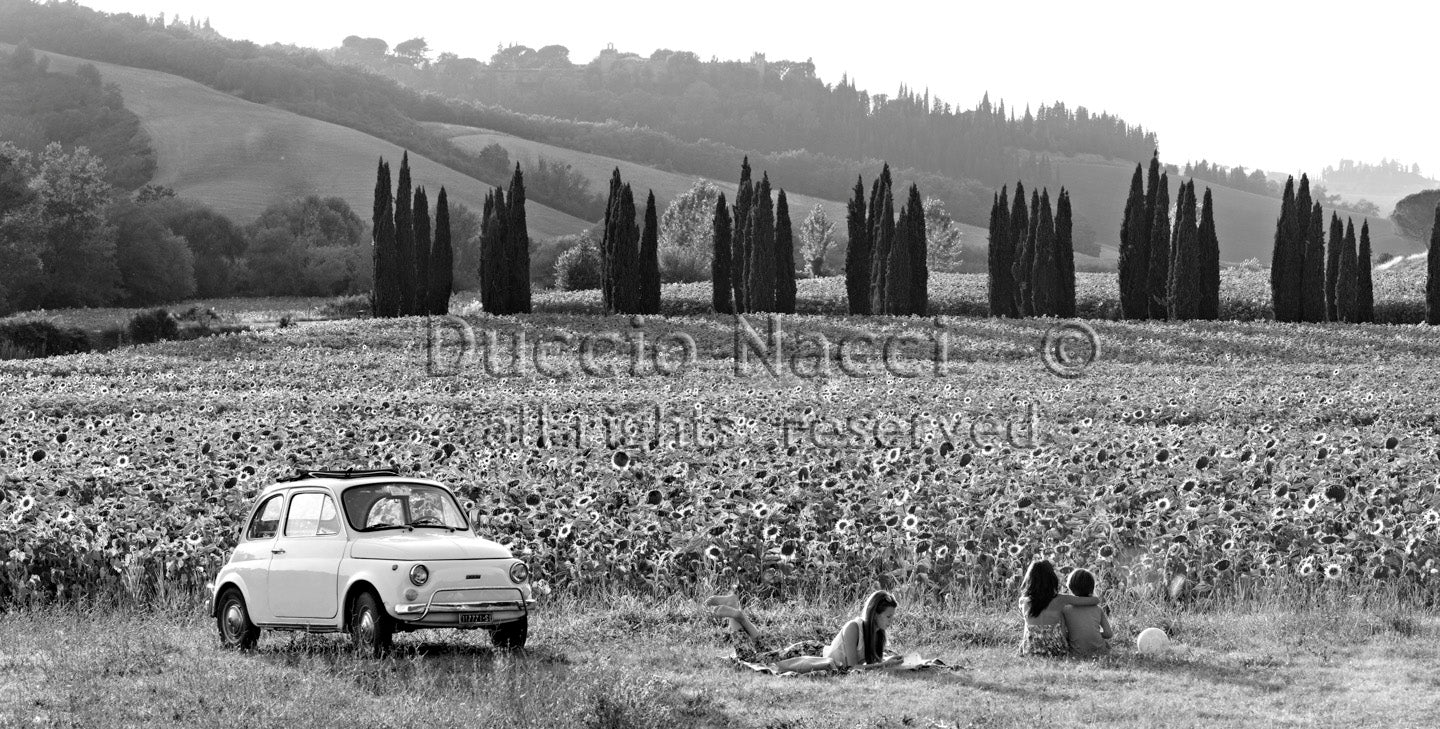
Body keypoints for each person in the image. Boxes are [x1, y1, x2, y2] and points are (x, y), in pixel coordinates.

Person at [707, 590, 905, 674]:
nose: (891, 621)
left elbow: (871, 662)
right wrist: (883, 665)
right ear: (874, 614)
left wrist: (887, 661)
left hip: (816, 652)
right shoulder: (855, 627)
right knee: (749, 657)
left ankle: (737, 612)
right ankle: (736, 616)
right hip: (811, 654)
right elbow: (851, 668)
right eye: (888, 616)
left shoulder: (877, 633)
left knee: (764, 651)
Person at [1017, 559, 1101, 657]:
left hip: (1032, 649)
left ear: (1029, 579)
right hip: (1056, 649)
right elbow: (1095, 600)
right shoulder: (1062, 599)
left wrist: (1023, 647)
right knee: (1062, 616)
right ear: (1052, 579)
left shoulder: (1023, 601)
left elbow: (1026, 629)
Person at [1060, 568, 1113, 657]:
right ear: (1091, 588)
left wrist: (1078, 635)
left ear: (1070, 587)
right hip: (1100, 652)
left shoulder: (1065, 610)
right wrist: (1093, 634)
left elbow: (1063, 635)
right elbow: (1108, 634)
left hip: (1076, 653)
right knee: (1107, 645)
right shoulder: (1098, 609)